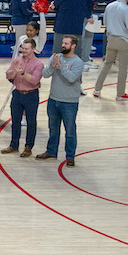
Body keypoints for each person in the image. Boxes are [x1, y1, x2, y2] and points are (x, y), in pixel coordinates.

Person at [37, 35, 84, 167]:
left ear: (73, 45)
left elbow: (72, 78)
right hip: (53, 99)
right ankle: (51, 151)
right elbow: (45, 74)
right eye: (63, 43)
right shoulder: (56, 57)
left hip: (69, 102)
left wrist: (61, 66)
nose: (63, 45)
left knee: (69, 131)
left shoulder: (78, 62)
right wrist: (53, 65)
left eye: (66, 43)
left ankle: (70, 156)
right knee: (53, 128)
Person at [3, 39, 44, 158]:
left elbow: (35, 80)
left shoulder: (38, 64)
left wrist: (22, 73)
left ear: (33, 49)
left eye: (26, 49)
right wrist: (14, 72)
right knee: (15, 121)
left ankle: (28, 147)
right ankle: (14, 144)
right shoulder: (17, 60)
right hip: (17, 94)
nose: (23, 51)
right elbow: (8, 75)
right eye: (22, 48)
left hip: (31, 95)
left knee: (31, 122)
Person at [94, 0, 128, 100]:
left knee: (107, 64)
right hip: (123, 40)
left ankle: (97, 89)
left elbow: (105, 22)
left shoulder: (109, 6)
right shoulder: (126, 9)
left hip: (111, 39)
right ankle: (120, 94)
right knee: (123, 68)